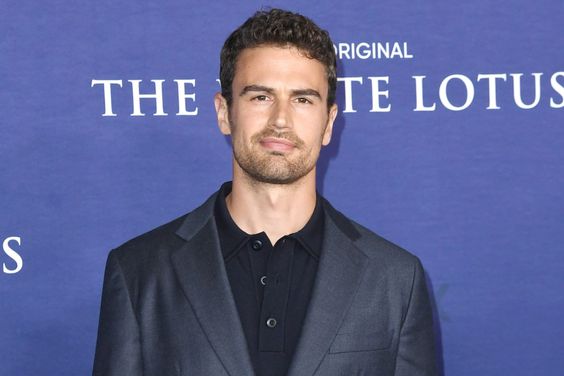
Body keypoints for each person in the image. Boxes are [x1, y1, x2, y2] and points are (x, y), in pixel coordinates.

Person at [93, 8, 438, 376]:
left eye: (303, 99)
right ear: (224, 112)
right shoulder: (139, 272)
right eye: (260, 97)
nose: (280, 120)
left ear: (329, 123)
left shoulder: (395, 280)